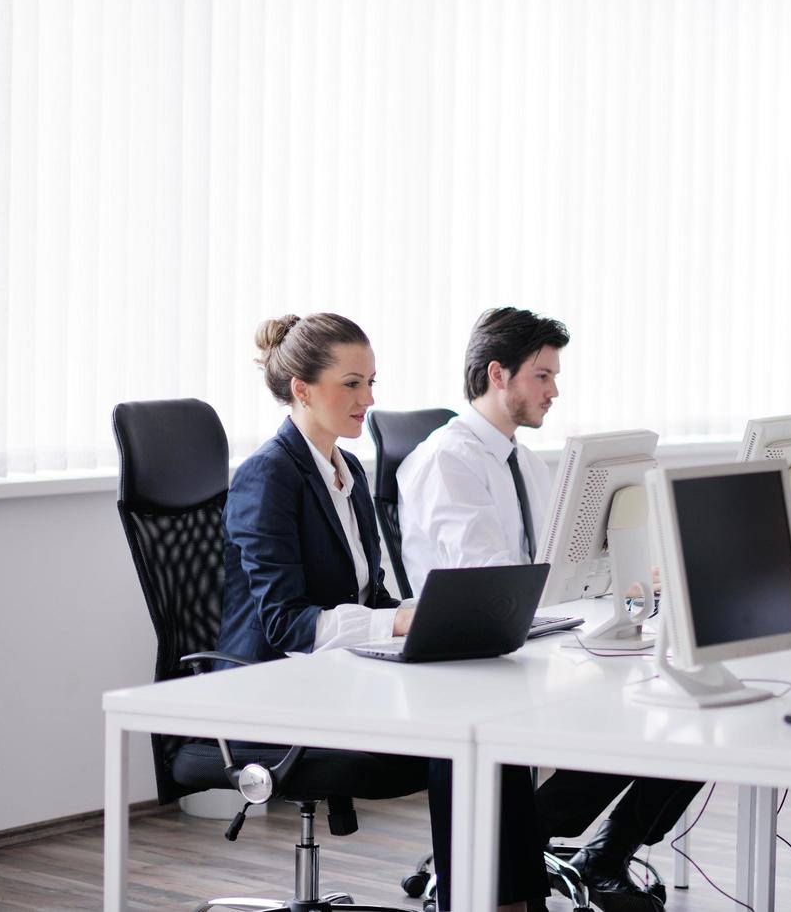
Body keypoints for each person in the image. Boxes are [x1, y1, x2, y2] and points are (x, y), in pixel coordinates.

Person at [217, 313, 545, 912]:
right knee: (460, 739)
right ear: (302, 388)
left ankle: (515, 904)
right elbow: (284, 624)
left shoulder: (347, 472)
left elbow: (368, 598)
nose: (368, 399)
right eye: (352, 384)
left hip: (337, 679)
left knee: (485, 725)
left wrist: (431, 613)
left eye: (372, 382)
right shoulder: (267, 478)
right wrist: (397, 621)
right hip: (271, 695)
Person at [399, 307, 701, 911]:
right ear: (498, 375)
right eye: (542, 375)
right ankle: (500, 845)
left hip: (526, 642)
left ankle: (589, 850)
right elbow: (490, 585)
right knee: (641, 712)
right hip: (469, 663)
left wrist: (630, 577)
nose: (555, 390)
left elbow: (555, 570)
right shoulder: (448, 461)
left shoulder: (526, 463)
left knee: (689, 710)